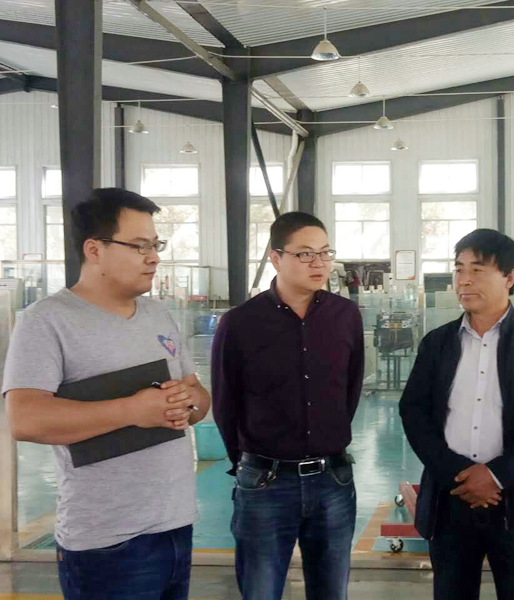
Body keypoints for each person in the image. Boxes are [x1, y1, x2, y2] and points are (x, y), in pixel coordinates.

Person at [3, 188, 211, 599]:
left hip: (176, 525)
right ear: (94, 249)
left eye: (156, 245)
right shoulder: (48, 321)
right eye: (139, 246)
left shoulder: (158, 314)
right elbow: (25, 419)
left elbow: (198, 397)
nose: (154, 257)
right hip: (107, 542)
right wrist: (134, 410)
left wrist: (187, 404)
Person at [399, 229, 514, 600]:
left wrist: (496, 475)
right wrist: (457, 473)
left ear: (509, 277)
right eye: (459, 269)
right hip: (451, 498)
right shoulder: (438, 342)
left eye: (477, 269)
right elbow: (413, 411)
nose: (464, 280)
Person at [211, 211, 364, 600]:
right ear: (276, 258)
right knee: (261, 590)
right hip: (266, 482)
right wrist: (249, 464)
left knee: (332, 591)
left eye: (325, 253)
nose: (319, 263)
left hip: (333, 482)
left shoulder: (345, 316)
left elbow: (350, 389)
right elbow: (226, 404)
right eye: (306, 254)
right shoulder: (240, 324)